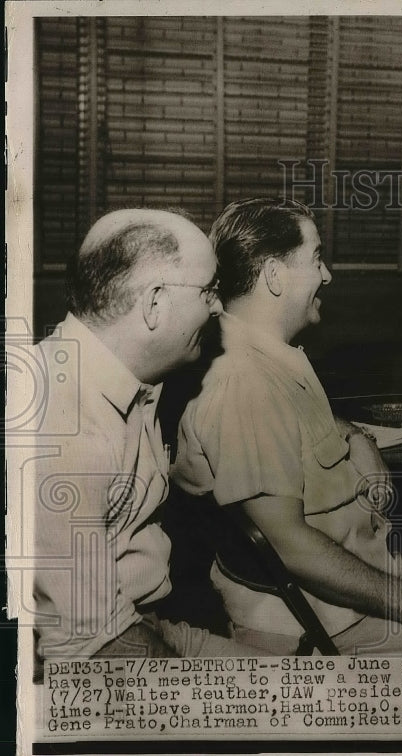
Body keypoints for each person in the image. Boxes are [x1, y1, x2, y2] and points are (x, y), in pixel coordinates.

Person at [171, 198, 402, 655]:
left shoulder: (263, 358)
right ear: (274, 275)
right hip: (321, 621)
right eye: (316, 258)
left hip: (357, 574)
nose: (326, 275)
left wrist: (356, 437)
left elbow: (299, 427)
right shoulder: (244, 385)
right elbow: (289, 544)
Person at [28, 208, 259, 660]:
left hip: (143, 624)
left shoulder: (130, 378)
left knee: (318, 691)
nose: (217, 305)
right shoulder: (63, 424)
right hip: (103, 660)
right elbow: (90, 648)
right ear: (154, 303)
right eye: (209, 290)